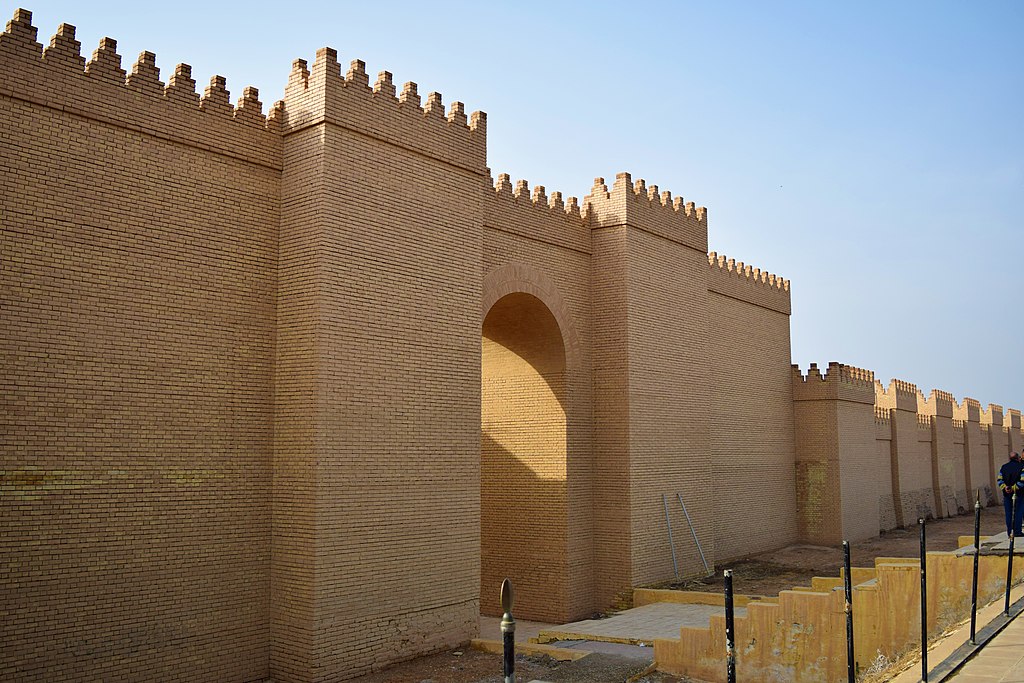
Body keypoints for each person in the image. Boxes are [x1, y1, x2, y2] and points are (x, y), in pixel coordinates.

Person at [998, 451, 1024, 538]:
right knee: (1018, 513)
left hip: (1007, 495)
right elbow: (1022, 481)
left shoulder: (1004, 467)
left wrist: (1005, 487)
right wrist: (1014, 488)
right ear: (1017, 458)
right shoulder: (1022, 467)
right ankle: (1017, 531)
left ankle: (1010, 532)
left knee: (1008, 513)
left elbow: (999, 480)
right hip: (1019, 494)